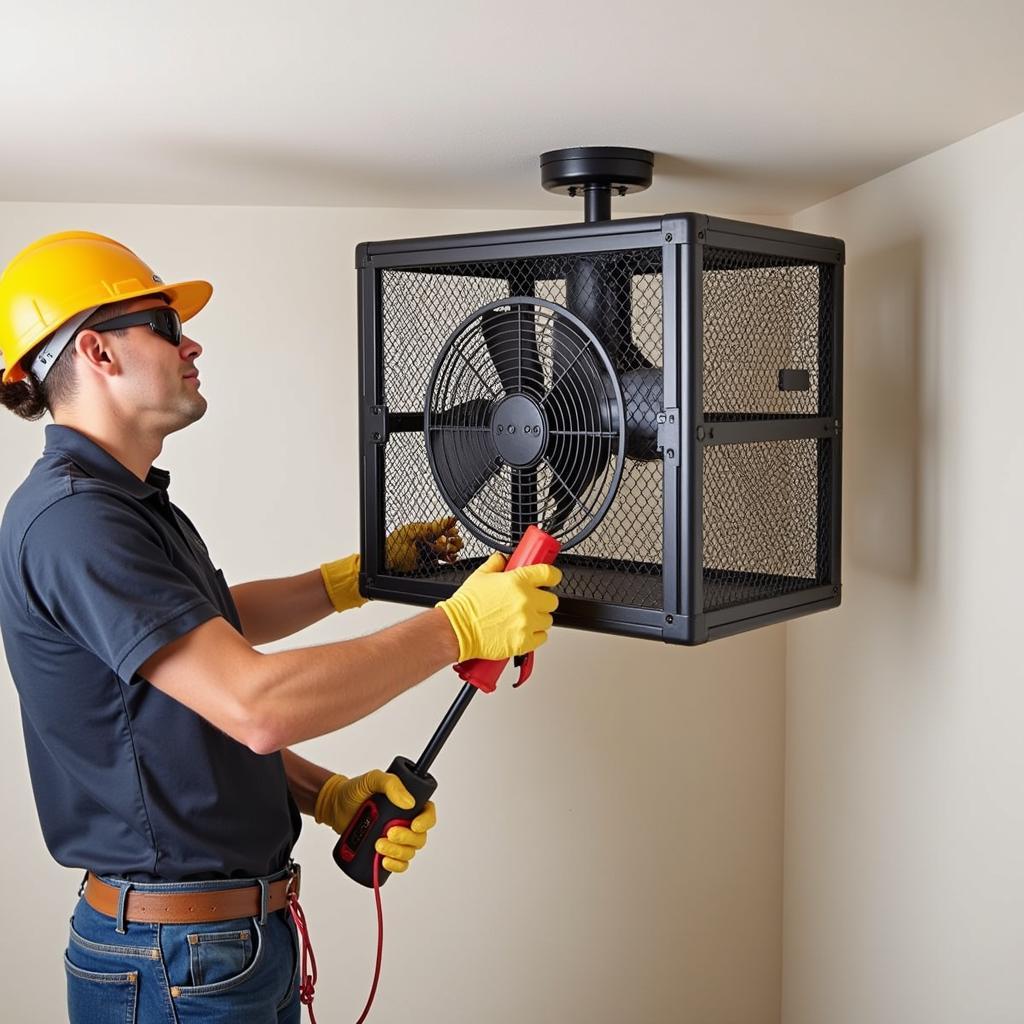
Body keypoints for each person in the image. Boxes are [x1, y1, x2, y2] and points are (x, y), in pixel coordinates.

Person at [0, 230, 561, 1023]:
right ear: (96, 351)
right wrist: (456, 630)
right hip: (175, 962)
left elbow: (214, 637)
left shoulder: (120, 504)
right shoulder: (75, 522)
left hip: (217, 947)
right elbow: (254, 703)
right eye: (164, 324)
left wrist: (326, 783)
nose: (191, 341)